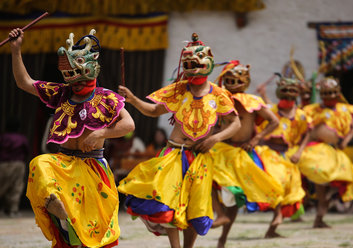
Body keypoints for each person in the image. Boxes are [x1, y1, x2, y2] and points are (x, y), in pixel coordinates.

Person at [9, 28, 135, 247]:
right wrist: (16, 50)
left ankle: (68, 224)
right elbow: (24, 83)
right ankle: (57, 209)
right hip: (64, 163)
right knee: (40, 162)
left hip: (93, 166)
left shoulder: (106, 97)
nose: (72, 81)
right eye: (68, 75)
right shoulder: (62, 93)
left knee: (94, 230)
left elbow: (129, 124)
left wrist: (102, 132)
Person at [117, 33, 241, 248]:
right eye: (189, 64)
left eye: (197, 63)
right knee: (168, 203)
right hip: (173, 154)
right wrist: (134, 99)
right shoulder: (178, 90)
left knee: (195, 207)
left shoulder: (219, 95)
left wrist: (215, 138)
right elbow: (154, 110)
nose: (193, 68)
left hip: (201, 157)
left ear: (207, 62)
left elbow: (235, 123)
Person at [208, 61, 284, 247]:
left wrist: (256, 140)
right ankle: (220, 217)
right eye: (230, 80)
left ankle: (224, 236)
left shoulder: (253, 101)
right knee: (205, 177)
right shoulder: (218, 100)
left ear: (246, 81)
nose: (233, 83)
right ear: (224, 81)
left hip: (243, 152)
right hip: (221, 151)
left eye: (237, 80)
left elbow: (274, 121)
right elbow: (213, 125)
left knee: (257, 189)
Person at [294, 77, 353, 228]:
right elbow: (307, 132)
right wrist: (300, 151)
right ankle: (319, 217)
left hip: (333, 151)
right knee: (322, 184)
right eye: (326, 93)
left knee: (352, 177)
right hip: (315, 151)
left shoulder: (344, 109)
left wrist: (345, 141)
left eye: (332, 93)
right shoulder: (313, 110)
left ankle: (323, 209)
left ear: (338, 93)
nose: (329, 97)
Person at [256, 75, 310, 237]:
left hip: (287, 155)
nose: (288, 93)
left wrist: (300, 151)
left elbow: (308, 133)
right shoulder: (271, 111)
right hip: (269, 153)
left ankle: (271, 230)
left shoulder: (301, 115)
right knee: (277, 183)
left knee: (289, 189)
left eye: (292, 91)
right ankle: (277, 216)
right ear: (279, 91)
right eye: (285, 90)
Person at [0, 117, 29, 217]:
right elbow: (26, 151)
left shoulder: (3, 137)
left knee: (2, 185)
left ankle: (4, 208)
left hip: (3, 164)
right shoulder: (22, 138)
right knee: (16, 187)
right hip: (18, 164)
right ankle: (12, 209)